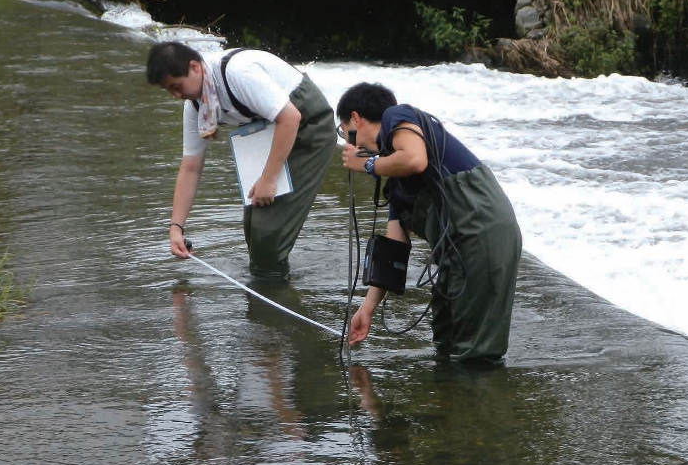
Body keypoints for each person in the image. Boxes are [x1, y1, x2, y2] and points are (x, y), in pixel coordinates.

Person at [336, 82, 522, 365]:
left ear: (355, 119)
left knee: (477, 352)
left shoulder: (397, 116)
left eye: (344, 132)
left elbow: (414, 159)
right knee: (445, 339)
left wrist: (366, 163)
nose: (350, 144)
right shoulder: (396, 180)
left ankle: (482, 405)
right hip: (457, 248)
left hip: (483, 233)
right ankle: (450, 406)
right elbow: (394, 247)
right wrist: (367, 309)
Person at [146, 42, 336, 279]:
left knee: (268, 232)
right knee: (254, 227)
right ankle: (267, 290)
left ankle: (274, 300)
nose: (176, 95)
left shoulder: (238, 73)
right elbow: (191, 167)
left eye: (177, 86)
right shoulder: (196, 105)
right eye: (169, 90)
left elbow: (290, 117)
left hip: (308, 126)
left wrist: (268, 179)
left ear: (194, 67)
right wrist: (176, 227)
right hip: (269, 131)